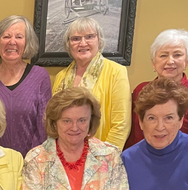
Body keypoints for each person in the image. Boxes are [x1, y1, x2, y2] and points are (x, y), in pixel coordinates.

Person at [124, 29, 188, 151]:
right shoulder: (141, 90)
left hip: (184, 164)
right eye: (163, 55)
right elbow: (135, 137)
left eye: (177, 55)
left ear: (186, 61)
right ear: (153, 62)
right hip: (144, 161)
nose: (170, 61)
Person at [0, 16, 51, 156]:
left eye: (19, 36)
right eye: (6, 36)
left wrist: (32, 160)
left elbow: (44, 127)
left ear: (26, 43)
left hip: (32, 162)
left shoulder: (40, 77)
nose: (12, 42)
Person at [52, 17, 131, 150]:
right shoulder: (61, 77)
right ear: (69, 44)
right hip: (63, 155)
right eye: (76, 39)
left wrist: (105, 159)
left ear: (99, 40)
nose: (82, 43)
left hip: (101, 157)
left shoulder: (116, 72)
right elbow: (53, 119)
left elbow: (121, 124)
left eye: (89, 37)